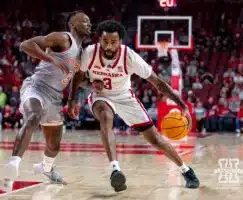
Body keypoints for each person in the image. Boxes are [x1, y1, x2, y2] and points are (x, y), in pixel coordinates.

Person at [68, 20, 199, 192]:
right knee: (106, 116)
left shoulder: (130, 57)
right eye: (105, 41)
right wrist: (75, 97)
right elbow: (77, 76)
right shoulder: (89, 53)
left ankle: (186, 170)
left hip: (125, 97)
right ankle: (116, 170)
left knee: (155, 139)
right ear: (99, 40)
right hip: (101, 97)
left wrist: (182, 106)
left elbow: (158, 83)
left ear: (120, 42)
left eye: (113, 42)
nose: (108, 46)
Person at [0, 11, 92, 192]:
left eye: (89, 21)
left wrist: (72, 101)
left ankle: (46, 169)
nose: (89, 23)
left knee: (54, 145)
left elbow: (77, 77)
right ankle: (13, 165)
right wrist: (51, 59)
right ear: (72, 24)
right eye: (84, 20)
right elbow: (26, 45)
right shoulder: (63, 38)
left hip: (56, 97)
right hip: (37, 87)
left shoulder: (81, 53)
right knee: (34, 115)